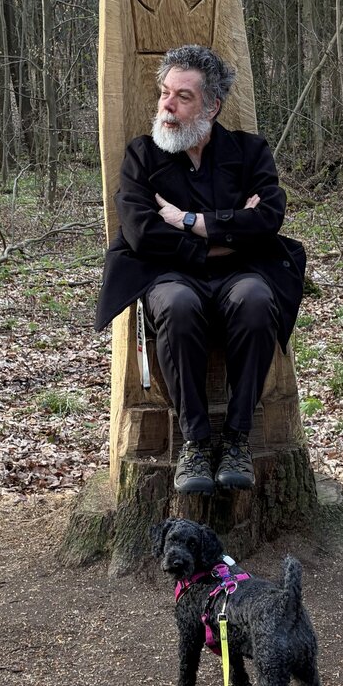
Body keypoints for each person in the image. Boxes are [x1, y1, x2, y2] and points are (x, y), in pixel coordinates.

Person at [95, 43, 306, 495]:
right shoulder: (142, 156)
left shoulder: (249, 152)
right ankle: (194, 442)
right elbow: (142, 233)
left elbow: (268, 219)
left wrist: (191, 221)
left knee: (256, 299)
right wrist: (225, 237)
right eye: (165, 93)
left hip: (240, 276)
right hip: (168, 275)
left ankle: (236, 439)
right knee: (177, 303)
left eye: (183, 96)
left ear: (211, 107)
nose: (167, 106)